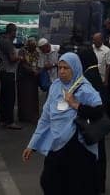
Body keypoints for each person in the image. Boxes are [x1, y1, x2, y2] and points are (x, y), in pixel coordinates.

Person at [22, 53, 104, 195]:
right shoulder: (55, 87)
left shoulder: (84, 88)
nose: (62, 71)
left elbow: (99, 112)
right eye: (60, 67)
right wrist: (32, 145)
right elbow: (45, 118)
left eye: (66, 68)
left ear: (75, 68)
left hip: (78, 146)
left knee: (77, 186)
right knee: (48, 182)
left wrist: (75, 104)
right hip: (57, 142)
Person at [77, 47, 108, 193]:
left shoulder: (86, 77)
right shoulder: (96, 74)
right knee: (100, 153)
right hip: (99, 122)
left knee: (90, 153)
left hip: (90, 122)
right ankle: (99, 184)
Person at [0, 23, 22, 130]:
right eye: (15, 31)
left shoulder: (1, 40)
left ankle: (3, 120)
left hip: (3, 70)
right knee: (10, 97)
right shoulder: (7, 43)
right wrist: (20, 57)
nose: (16, 34)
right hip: (8, 71)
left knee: (4, 97)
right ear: (12, 31)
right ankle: (10, 121)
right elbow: (12, 59)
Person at [17, 37, 42, 123]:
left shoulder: (36, 52)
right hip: (24, 78)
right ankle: (23, 116)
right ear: (28, 45)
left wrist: (38, 70)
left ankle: (33, 116)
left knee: (33, 98)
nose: (34, 48)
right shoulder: (22, 51)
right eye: (32, 46)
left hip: (33, 78)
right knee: (23, 97)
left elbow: (39, 62)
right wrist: (32, 70)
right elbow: (22, 64)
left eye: (34, 46)